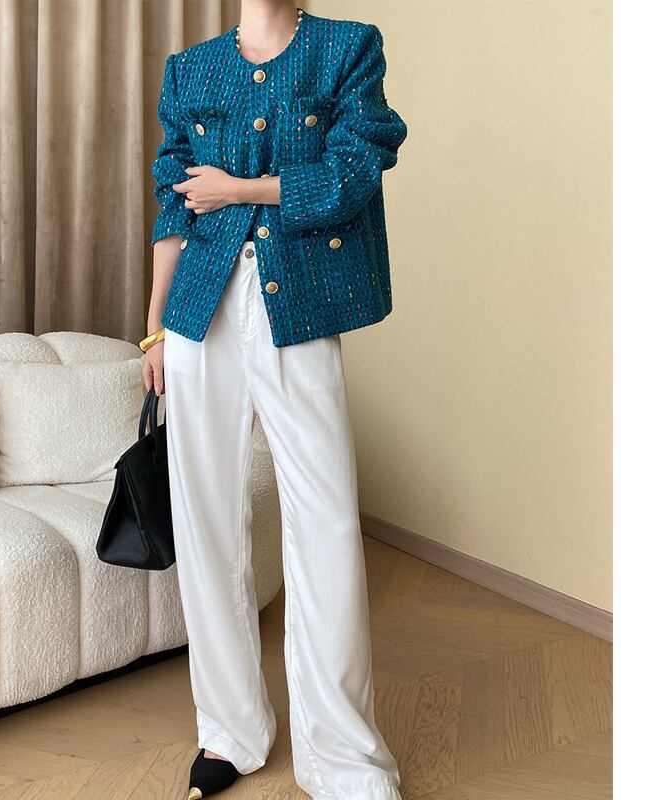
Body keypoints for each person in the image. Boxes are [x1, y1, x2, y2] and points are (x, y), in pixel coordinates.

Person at [141, 2, 408, 798]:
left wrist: (239, 188)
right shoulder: (190, 70)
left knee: (326, 526)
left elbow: (355, 170)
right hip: (199, 313)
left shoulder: (347, 49)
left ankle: (344, 758)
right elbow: (173, 203)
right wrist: (153, 328)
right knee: (207, 519)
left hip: (300, 308)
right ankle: (230, 732)